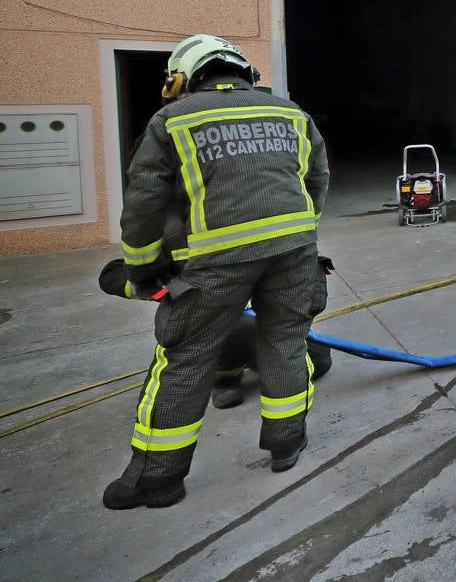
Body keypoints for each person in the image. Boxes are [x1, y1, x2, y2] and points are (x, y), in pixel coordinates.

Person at [105, 34, 329, 510]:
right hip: (294, 253)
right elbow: (316, 180)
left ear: (185, 77)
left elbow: (144, 204)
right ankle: (286, 444)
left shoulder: (172, 119)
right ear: (244, 71)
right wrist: (301, 234)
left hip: (214, 264)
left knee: (184, 359)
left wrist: (144, 270)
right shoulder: (292, 114)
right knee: (286, 341)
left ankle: (157, 479)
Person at [97, 250, 335, 410]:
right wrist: (165, 287)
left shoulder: (265, 226)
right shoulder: (187, 230)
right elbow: (111, 273)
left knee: (319, 361)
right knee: (236, 328)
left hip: (267, 328)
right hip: (215, 330)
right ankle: (225, 376)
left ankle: (261, 359)